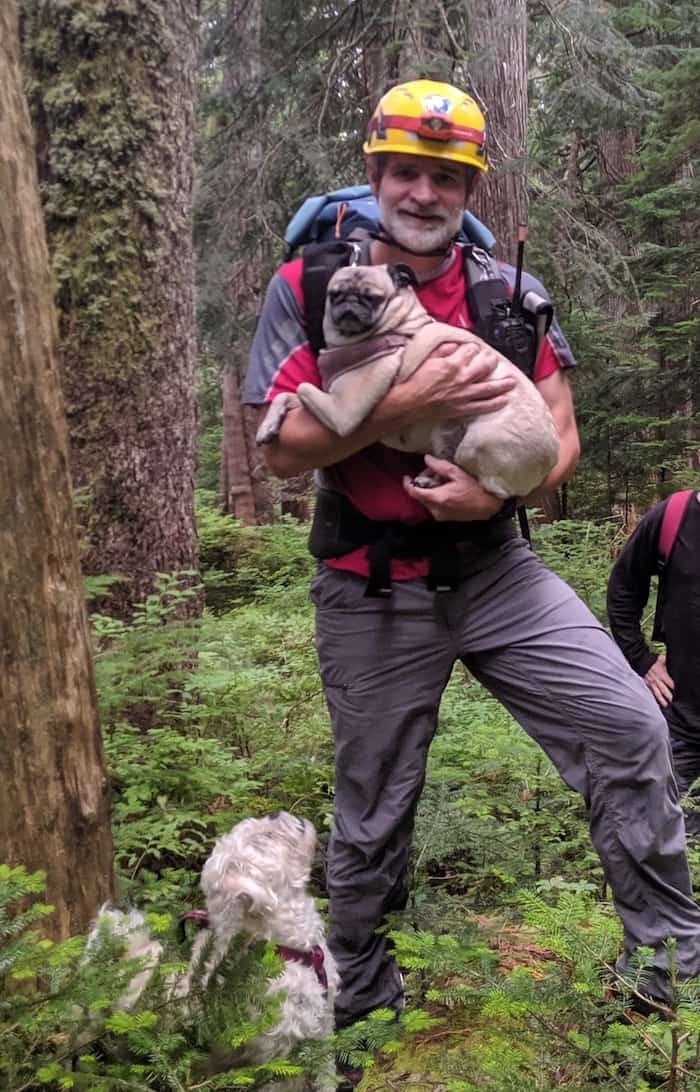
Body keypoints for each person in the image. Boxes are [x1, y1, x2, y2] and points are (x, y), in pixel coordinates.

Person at [243, 79, 700, 1086]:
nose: (422, 190)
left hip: (498, 569)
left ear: (466, 186)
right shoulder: (308, 284)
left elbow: (562, 435)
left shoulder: (507, 293)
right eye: (404, 170)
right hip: (371, 581)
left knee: (628, 731)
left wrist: (494, 498)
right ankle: (362, 1011)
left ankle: (662, 978)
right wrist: (406, 396)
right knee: (372, 810)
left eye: (444, 176)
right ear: (375, 177)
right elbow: (278, 450)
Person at [607, 491, 700, 835]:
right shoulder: (672, 517)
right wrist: (641, 660)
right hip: (680, 719)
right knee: (659, 834)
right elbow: (623, 587)